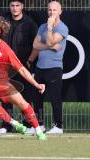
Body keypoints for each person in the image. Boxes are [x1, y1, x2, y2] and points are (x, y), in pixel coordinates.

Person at [0, 0, 41, 134]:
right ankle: (6, 124)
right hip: (5, 65)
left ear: (22, 7)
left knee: (26, 96)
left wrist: (29, 61)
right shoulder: (3, 22)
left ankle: (28, 124)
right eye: (12, 5)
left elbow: (36, 44)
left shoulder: (30, 23)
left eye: (17, 6)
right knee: (5, 95)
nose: (14, 8)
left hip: (23, 65)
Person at [28, 1, 69, 134]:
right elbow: (35, 44)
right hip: (40, 67)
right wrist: (50, 46)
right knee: (37, 99)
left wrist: (50, 28)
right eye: (50, 10)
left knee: (54, 98)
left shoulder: (62, 28)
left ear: (60, 11)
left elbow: (50, 40)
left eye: (54, 10)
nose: (51, 12)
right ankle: (39, 126)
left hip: (54, 68)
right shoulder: (42, 27)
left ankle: (58, 126)